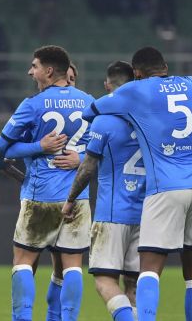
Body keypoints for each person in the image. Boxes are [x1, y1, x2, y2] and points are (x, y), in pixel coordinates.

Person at [76, 46, 192, 321]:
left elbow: (90, 112)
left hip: (166, 187)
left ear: (137, 73)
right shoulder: (190, 84)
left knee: (149, 268)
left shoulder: (135, 91)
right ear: (164, 66)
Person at [0, 45, 94, 321]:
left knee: (24, 263)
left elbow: (0, 149)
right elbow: (105, 147)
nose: (30, 71)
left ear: (49, 71)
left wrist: (38, 146)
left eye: (34, 66)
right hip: (77, 198)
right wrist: (81, 156)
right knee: (72, 266)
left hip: (40, 195)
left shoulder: (33, 104)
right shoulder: (89, 101)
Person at [63, 60, 144, 321]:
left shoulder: (104, 121)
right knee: (133, 283)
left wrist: (70, 199)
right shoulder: (151, 120)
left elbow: (87, 168)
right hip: (146, 212)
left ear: (107, 85)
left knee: (104, 281)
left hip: (112, 213)